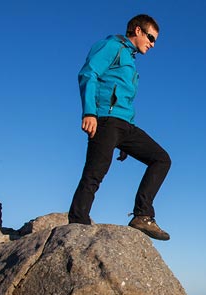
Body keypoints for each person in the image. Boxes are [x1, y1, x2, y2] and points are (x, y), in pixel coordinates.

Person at [68, 14, 171, 240]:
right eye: (151, 38)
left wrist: (125, 142)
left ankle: (142, 216)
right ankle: (77, 221)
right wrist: (89, 112)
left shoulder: (130, 59)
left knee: (161, 159)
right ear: (137, 30)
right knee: (95, 172)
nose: (153, 44)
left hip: (125, 125)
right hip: (105, 120)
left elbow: (124, 96)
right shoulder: (111, 47)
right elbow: (88, 74)